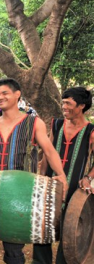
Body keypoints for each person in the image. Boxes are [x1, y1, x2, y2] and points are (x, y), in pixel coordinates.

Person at [0, 78, 68, 264]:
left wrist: (61, 175)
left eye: (4, 93)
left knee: (12, 248)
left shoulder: (34, 123)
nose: (0, 97)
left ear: (17, 95)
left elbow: (49, 151)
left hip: (21, 195)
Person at [33, 87, 94, 264]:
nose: (64, 106)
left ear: (82, 106)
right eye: (63, 102)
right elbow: (47, 153)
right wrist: (41, 177)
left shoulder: (90, 131)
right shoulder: (56, 124)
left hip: (75, 190)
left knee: (70, 231)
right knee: (43, 227)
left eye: (69, 103)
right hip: (51, 186)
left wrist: (89, 177)